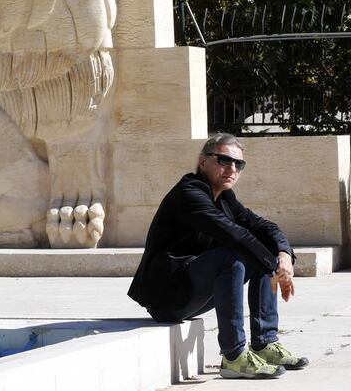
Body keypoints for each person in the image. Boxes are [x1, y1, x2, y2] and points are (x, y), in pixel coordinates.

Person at [128, 132, 309, 379]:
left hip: (193, 291)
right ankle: (233, 357)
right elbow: (234, 235)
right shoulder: (189, 194)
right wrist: (276, 267)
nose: (232, 168)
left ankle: (264, 344)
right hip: (167, 297)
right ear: (203, 161)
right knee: (234, 255)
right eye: (224, 160)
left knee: (261, 252)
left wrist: (284, 256)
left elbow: (264, 227)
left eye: (239, 164)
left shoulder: (224, 197)